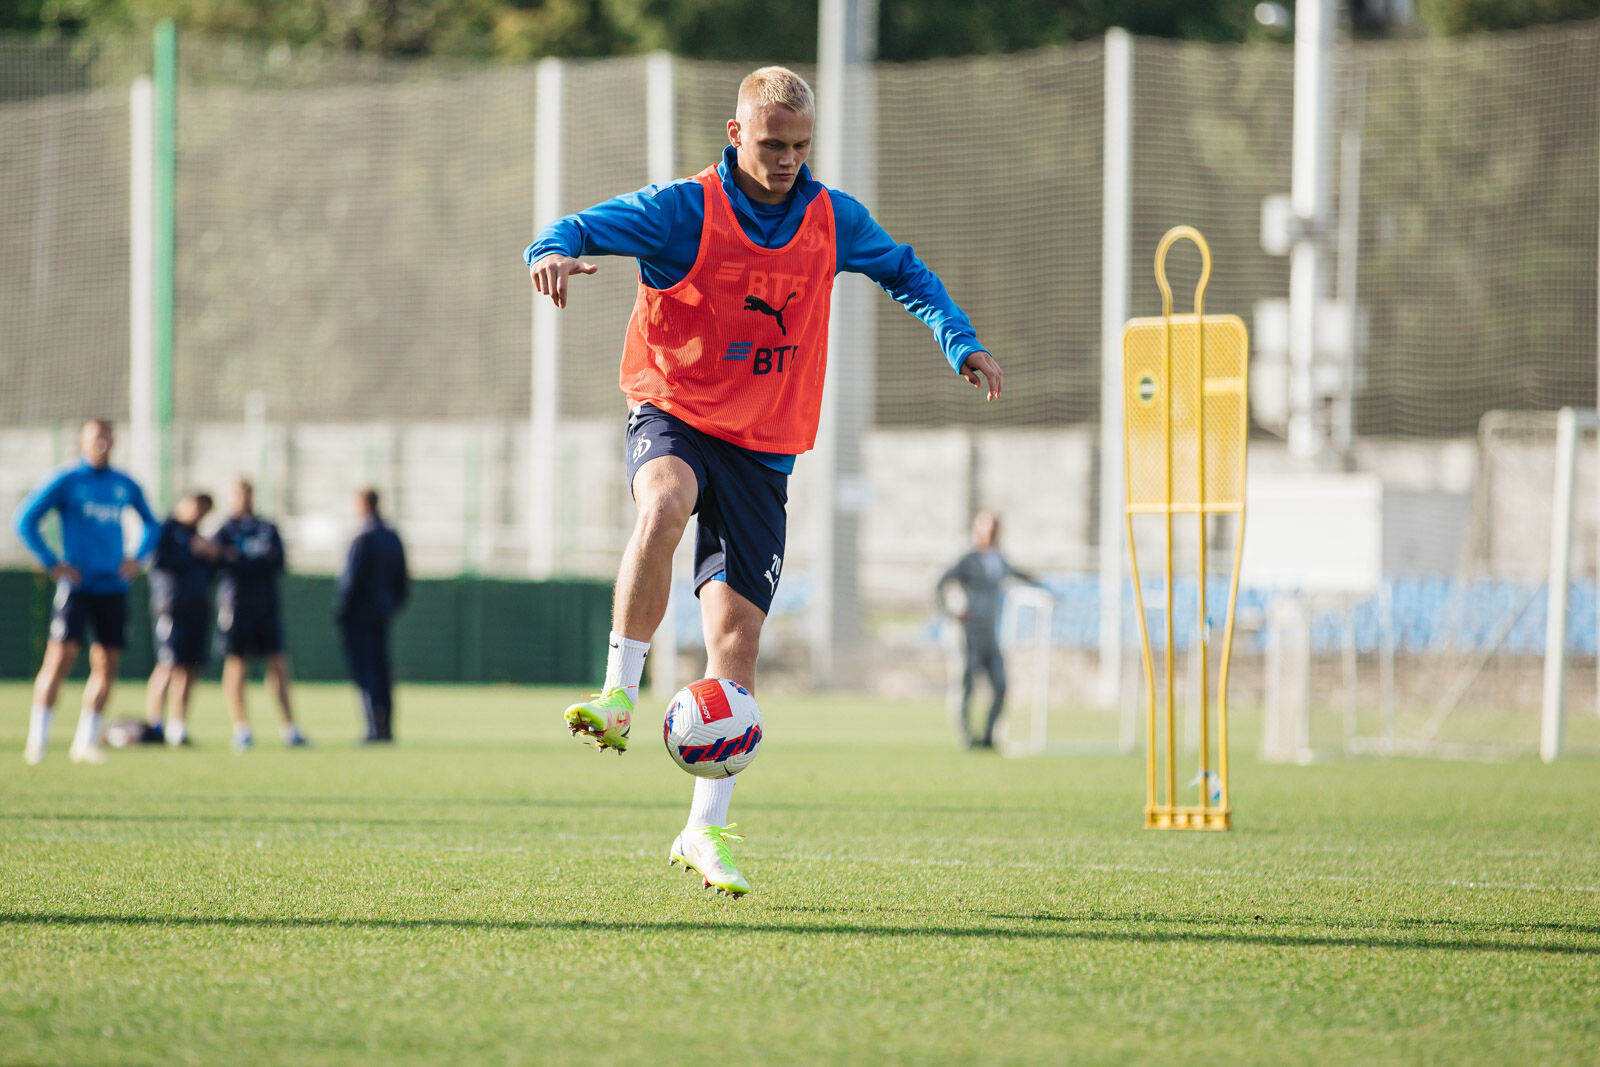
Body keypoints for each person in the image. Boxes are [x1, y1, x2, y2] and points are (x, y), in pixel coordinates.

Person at [525, 66, 1003, 896]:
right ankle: (617, 693)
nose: (787, 160)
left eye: (800, 146)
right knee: (665, 499)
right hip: (673, 405)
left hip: (764, 447)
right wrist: (553, 253)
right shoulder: (683, 209)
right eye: (773, 144)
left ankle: (705, 833)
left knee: (737, 641)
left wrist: (958, 340)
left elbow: (907, 272)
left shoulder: (831, 218)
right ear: (736, 132)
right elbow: (576, 225)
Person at [12, 418, 160, 765]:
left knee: (107, 664)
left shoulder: (124, 484)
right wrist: (52, 562)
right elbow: (25, 520)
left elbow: (152, 525)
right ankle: (39, 740)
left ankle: (85, 742)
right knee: (59, 659)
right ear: (82, 441)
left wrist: (136, 560)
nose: (102, 443)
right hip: (76, 587)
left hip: (112, 588)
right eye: (96, 437)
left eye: (108, 437)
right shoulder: (67, 481)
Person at [935, 510, 1045, 751]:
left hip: (990, 635)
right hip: (967, 634)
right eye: (987, 527)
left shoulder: (999, 559)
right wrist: (952, 612)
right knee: (966, 685)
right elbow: (938, 584)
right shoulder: (966, 559)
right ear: (977, 529)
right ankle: (966, 737)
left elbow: (1018, 574)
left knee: (1001, 684)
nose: (992, 532)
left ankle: (988, 736)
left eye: (995, 527)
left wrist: (1044, 587)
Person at [213, 477, 307, 752]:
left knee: (277, 664)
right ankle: (241, 728)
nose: (245, 499)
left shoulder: (267, 528)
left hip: (265, 607)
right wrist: (247, 560)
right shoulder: (225, 530)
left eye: (248, 493)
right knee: (237, 666)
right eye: (239, 493)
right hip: (236, 607)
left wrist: (242, 559)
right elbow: (220, 561)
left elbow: (277, 561)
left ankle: (290, 727)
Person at [143, 491, 218, 747]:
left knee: (188, 668)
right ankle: (155, 725)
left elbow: (208, 572)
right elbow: (157, 561)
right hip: (171, 606)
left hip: (197, 608)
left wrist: (210, 556)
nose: (199, 514)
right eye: (197, 507)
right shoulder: (166, 530)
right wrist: (192, 552)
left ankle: (178, 727)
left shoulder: (198, 535)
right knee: (167, 665)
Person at [334, 488, 409, 743]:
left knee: (365, 672)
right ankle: (386, 727)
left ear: (364, 505)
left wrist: (342, 611)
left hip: (359, 616)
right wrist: (392, 606)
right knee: (381, 670)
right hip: (382, 615)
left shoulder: (363, 537)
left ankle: (372, 729)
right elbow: (403, 580)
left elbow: (351, 581)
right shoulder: (392, 536)